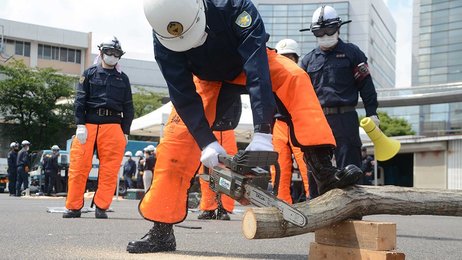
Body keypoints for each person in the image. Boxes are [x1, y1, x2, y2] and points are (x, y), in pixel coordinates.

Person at [127, 0, 363, 253]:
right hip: (205, 79)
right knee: (176, 140)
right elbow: (182, 93)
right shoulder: (163, 35)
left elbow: (256, 66)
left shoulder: (234, 6)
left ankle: (325, 173)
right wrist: (206, 141)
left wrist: (263, 130)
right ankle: (161, 228)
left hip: (249, 62)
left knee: (295, 78)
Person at [300, 5, 379, 196]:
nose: (325, 35)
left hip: (345, 117)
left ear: (339, 27)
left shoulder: (352, 53)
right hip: (317, 120)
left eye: (329, 30)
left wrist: (372, 112)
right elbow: (300, 95)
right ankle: (317, 211)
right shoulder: (308, 60)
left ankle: (353, 210)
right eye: (319, 31)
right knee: (316, 165)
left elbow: (366, 84)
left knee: (350, 165)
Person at [63, 36, 134, 219]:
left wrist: (126, 131)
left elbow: (128, 107)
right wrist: (80, 124)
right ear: (101, 53)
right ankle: (74, 207)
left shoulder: (123, 78)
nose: (112, 56)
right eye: (109, 52)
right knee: (78, 166)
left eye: (116, 53)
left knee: (110, 170)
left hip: (113, 125)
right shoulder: (89, 73)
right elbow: (80, 100)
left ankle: (102, 206)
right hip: (89, 124)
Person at [271, 39, 310, 204]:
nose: (287, 61)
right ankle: (282, 203)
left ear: (296, 59)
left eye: (290, 57)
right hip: (279, 125)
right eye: (283, 57)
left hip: (299, 124)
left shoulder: (303, 77)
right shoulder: (271, 78)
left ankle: (313, 198)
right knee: (279, 167)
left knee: (306, 164)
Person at [198, 130, 237, 221]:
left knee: (228, 173)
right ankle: (208, 208)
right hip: (209, 132)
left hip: (226, 132)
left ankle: (223, 208)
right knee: (206, 173)